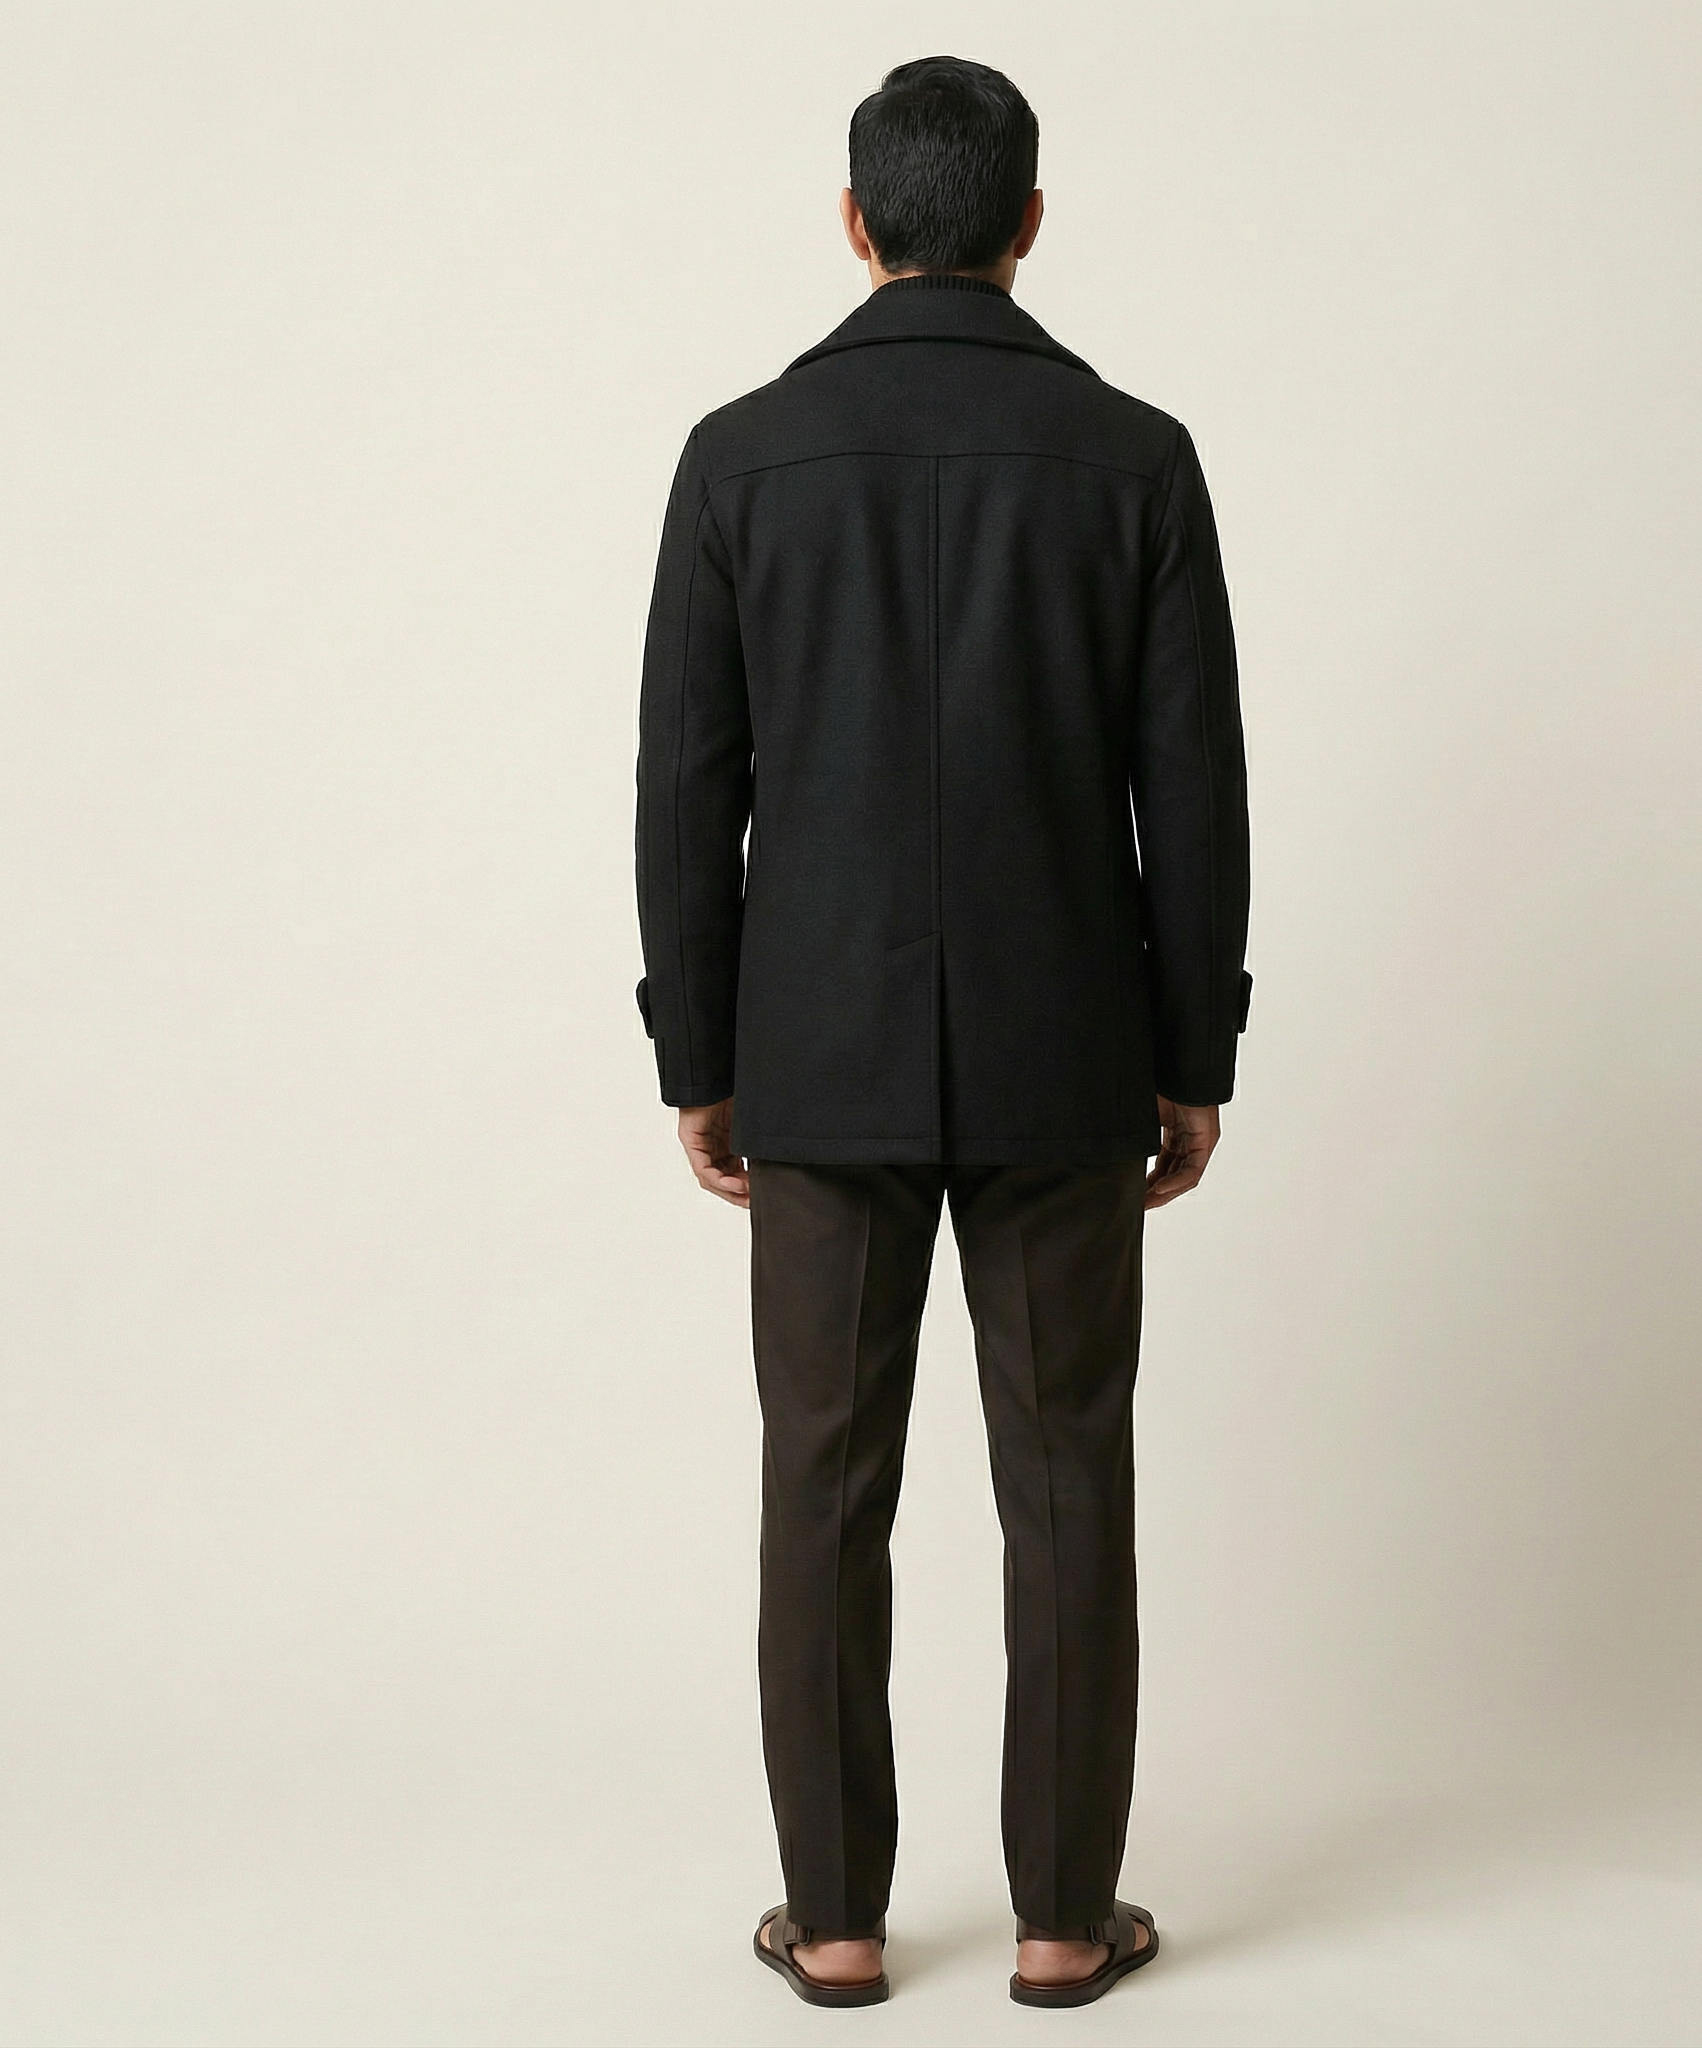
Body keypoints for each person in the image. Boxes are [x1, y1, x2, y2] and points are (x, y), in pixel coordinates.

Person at [633, 54, 1251, 2011]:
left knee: (820, 1485)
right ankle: (1064, 1922)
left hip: (813, 1057)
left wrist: (698, 1055)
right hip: (1070, 1051)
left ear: (854, 222)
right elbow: (1194, 795)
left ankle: (833, 1924)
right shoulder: (1135, 459)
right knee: (1068, 1480)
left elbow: (686, 788)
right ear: (1028, 225)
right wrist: (1194, 1055)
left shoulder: (739, 457)